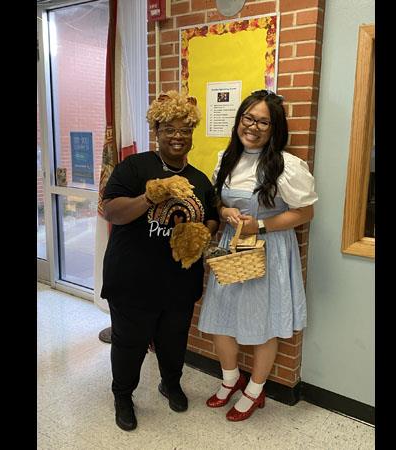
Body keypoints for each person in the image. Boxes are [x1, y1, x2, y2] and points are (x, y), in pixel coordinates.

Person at [101, 91, 220, 431]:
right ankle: (123, 395)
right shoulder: (135, 167)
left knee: (173, 340)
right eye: (169, 128)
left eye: (185, 129)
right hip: (132, 280)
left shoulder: (198, 179)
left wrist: (200, 233)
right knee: (129, 344)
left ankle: (170, 383)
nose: (178, 135)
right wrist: (150, 195)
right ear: (156, 129)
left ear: (193, 133)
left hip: (179, 283)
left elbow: (211, 217)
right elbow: (111, 211)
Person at [198, 89, 318, 421]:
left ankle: (255, 389)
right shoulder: (226, 158)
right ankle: (231, 379)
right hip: (230, 249)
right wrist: (224, 213)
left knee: (264, 323)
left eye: (263, 121)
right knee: (222, 319)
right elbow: (218, 202)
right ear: (239, 119)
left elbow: (305, 213)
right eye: (248, 118)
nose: (253, 126)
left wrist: (260, 226)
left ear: (274, 128)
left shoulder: (287, 166)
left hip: (269, 251)